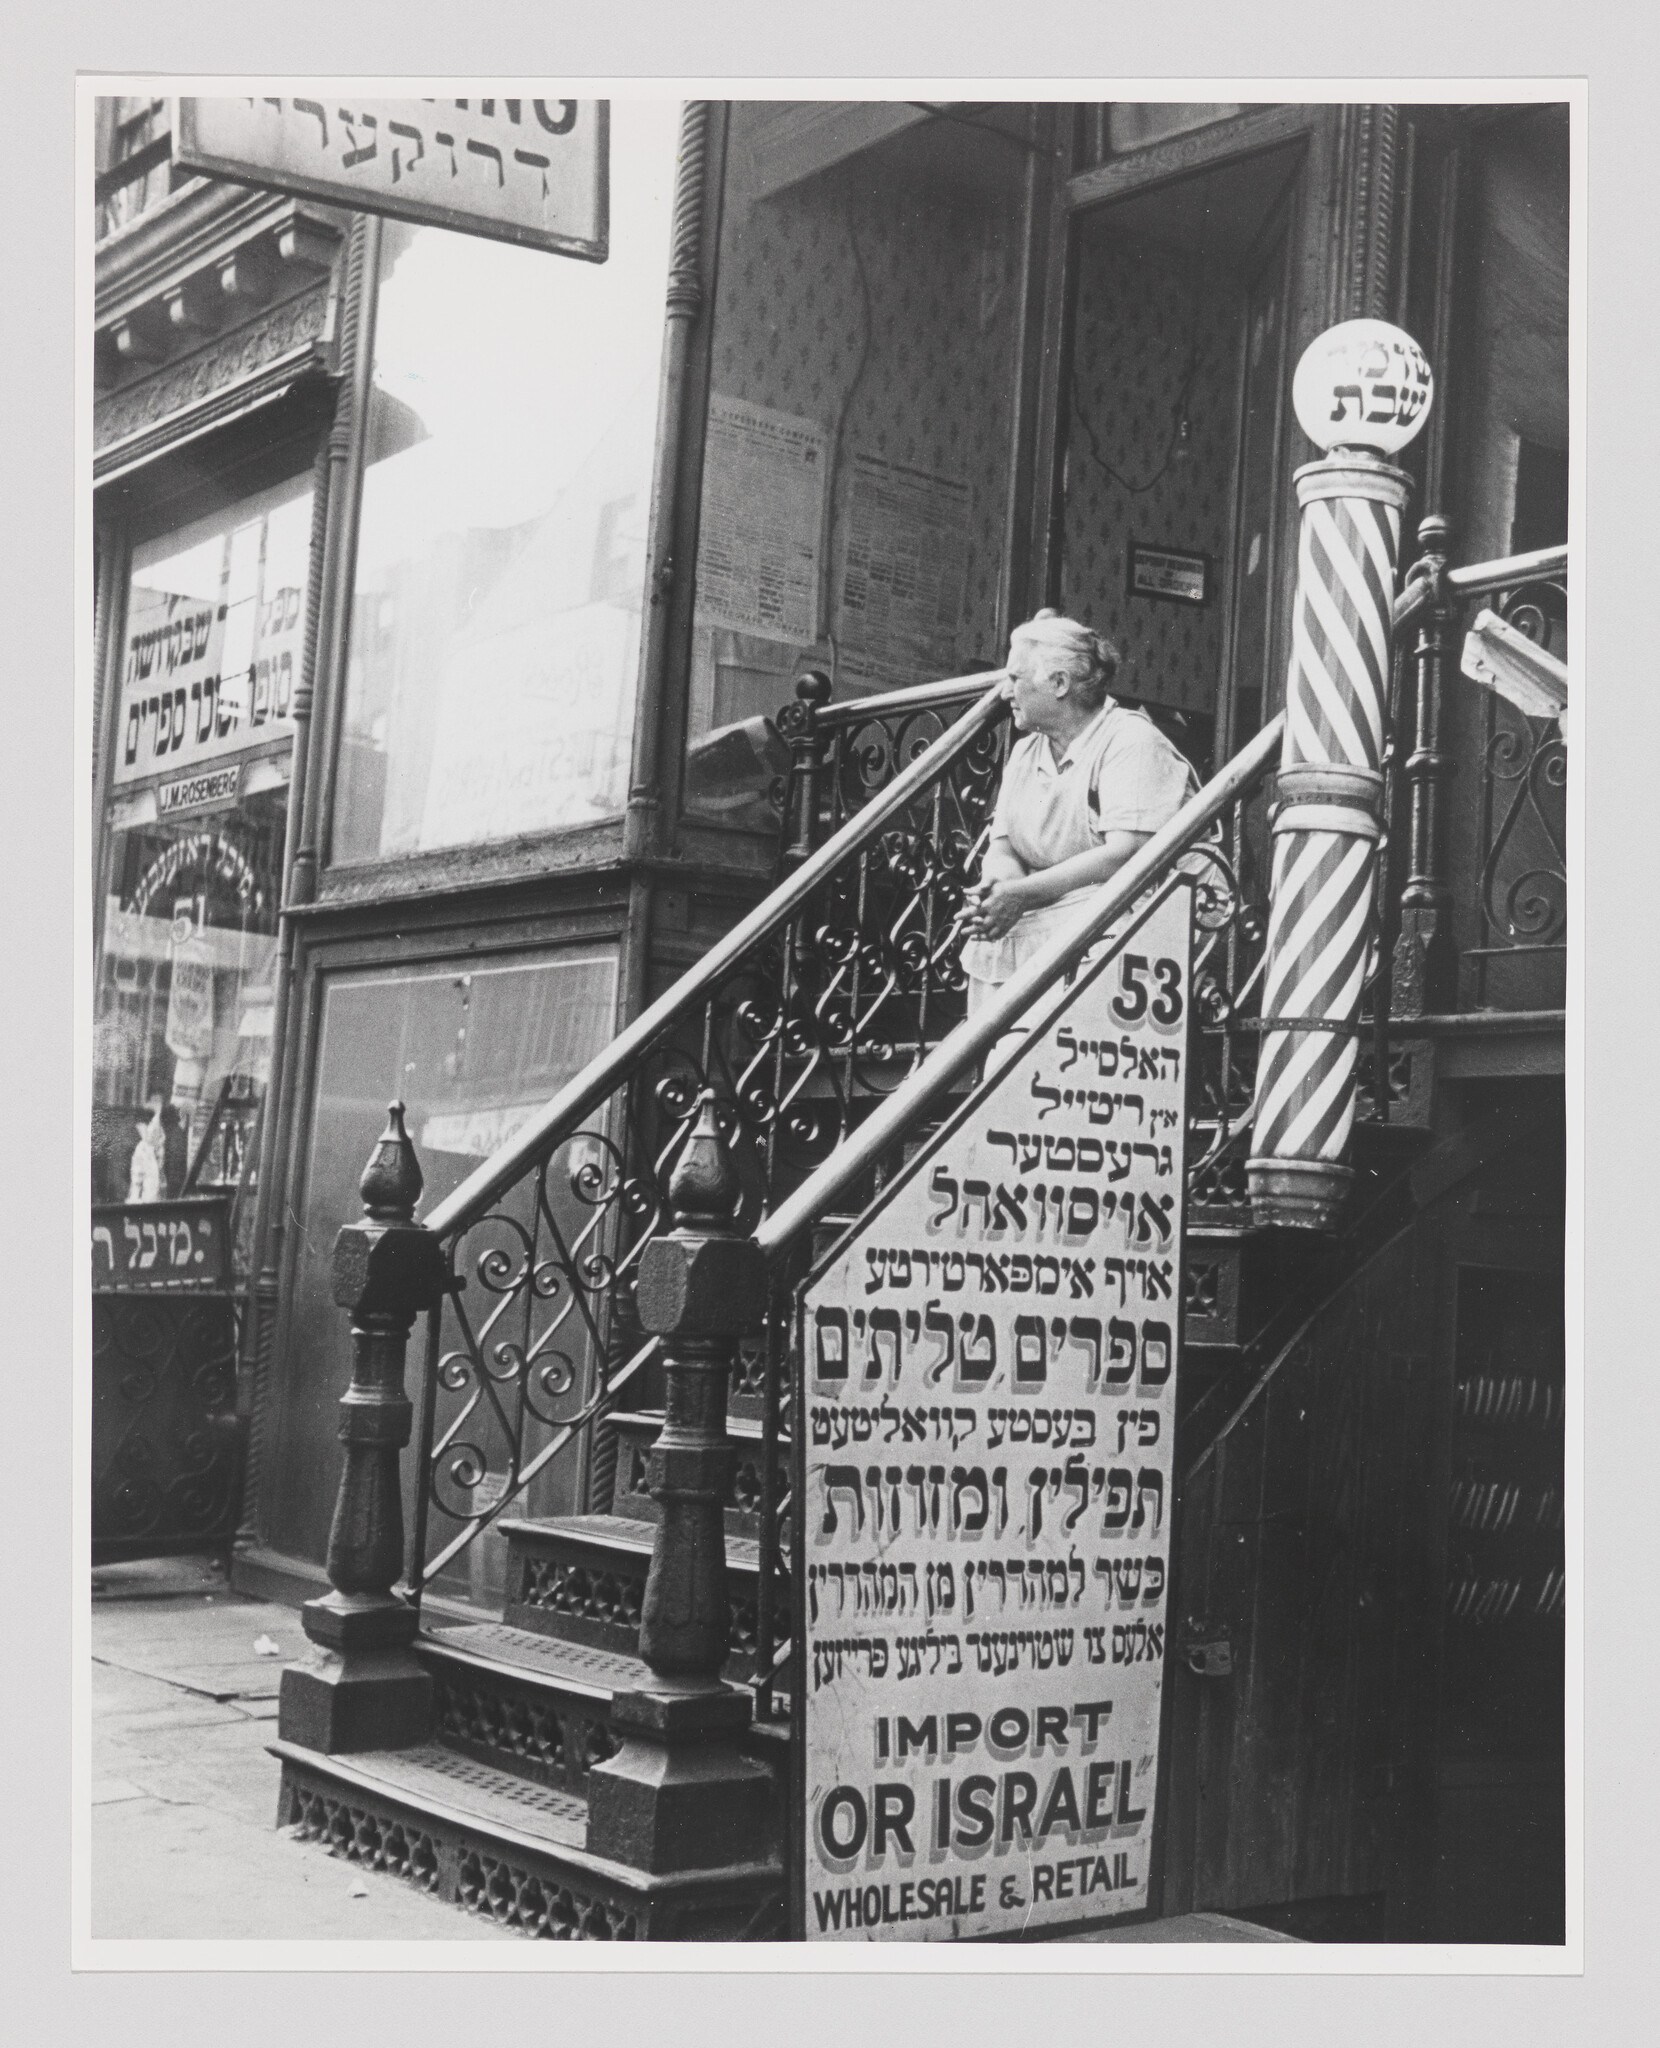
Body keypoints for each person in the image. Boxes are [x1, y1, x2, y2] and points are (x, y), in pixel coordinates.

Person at [959, 609, 1201, 1021]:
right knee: (991, 938)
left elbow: (1127, 855)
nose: (1004, 693)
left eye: (1015, 679)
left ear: (1059, 684)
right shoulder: (1025, 752)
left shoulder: (1130, 740)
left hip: (1151, 910)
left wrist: (1024, 895)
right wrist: (1002, 888)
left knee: (1082, 917)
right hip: (1058, 906)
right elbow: (1002, 847)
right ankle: (999, 1071)